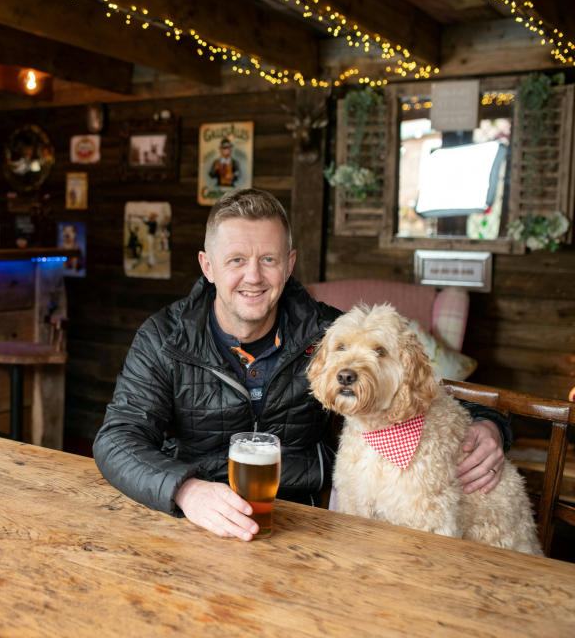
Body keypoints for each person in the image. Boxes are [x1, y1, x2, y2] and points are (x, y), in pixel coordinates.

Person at [93, 188, 512, 541]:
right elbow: (116, 438)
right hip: (195, 518)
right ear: (208, 267)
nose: (253, 276)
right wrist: (186, 490)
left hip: (305, 523)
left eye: (269, 260)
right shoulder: (165, 338)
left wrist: (492, 425)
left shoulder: (330, 332)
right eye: (236, 259)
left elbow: (418, 388)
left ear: (289, 264)